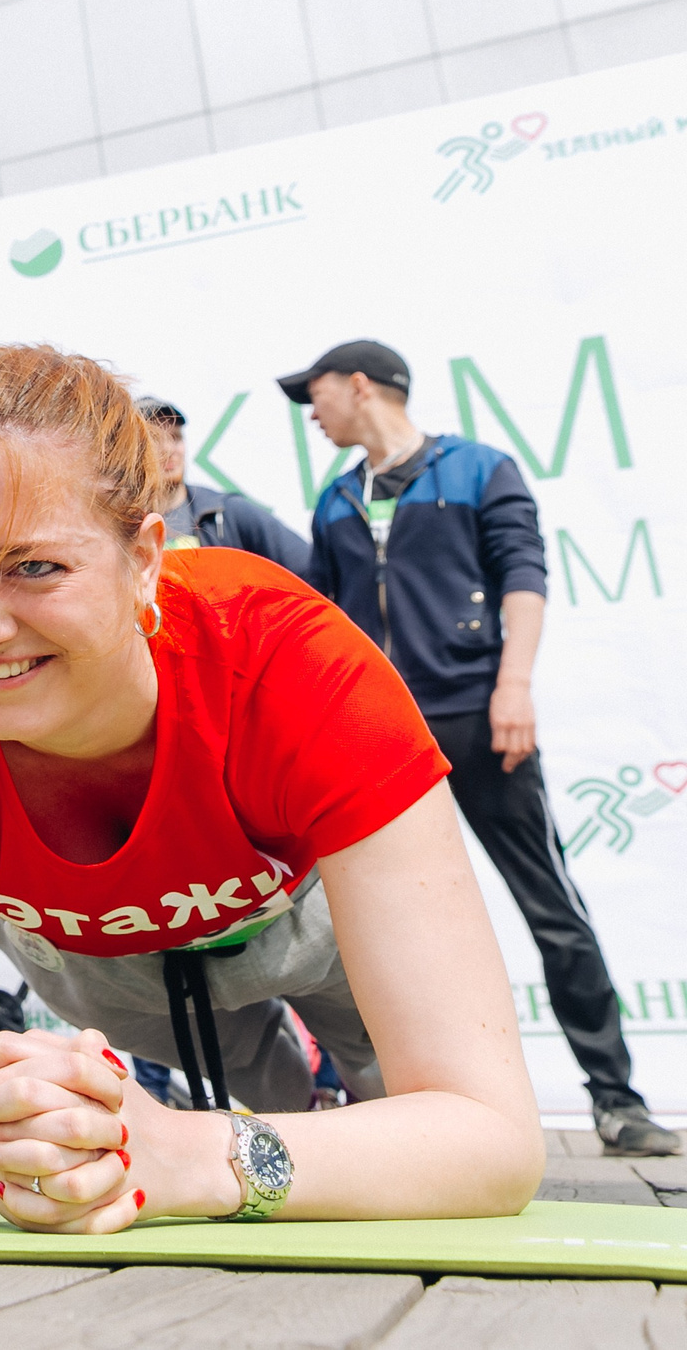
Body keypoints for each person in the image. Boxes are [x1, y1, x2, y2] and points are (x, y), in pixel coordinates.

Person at [0, 343, 544, 1232]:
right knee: (270, 1105)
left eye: (33, 566)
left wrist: (199, 1156)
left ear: (146, 558)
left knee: (382, 1104)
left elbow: (491, 1140)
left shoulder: (294, 663)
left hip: (307, 926)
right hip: (104, 966)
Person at [282, 338, 675, 1158]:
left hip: (477, 714)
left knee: (550, 907)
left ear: (361, 385)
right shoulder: (334, 500)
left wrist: (515, 685)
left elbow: (523, 575)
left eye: (314, 393)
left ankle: (617, 1099)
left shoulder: (476, 469)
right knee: (375, 928)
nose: (309, 412)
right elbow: (324, 621)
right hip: (381, 737)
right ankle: (412, 1110)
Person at [133, 396, 310, 576]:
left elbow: (309, 568)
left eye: (175, 437)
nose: (168, 449)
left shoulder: (224, 512)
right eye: (154, 439)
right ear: (130, 450)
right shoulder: (119, 524)